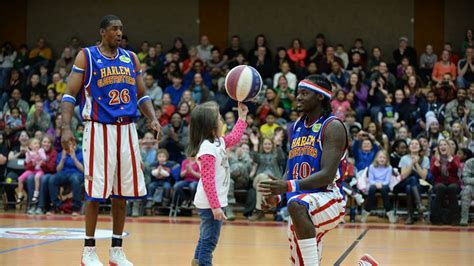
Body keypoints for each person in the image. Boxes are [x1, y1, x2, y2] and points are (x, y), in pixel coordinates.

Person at [60, 15, 160, 266]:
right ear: (103, 32)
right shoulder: (87, 56)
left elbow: (141, 94)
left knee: (122, 194)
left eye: (121, 29)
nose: (119, 33)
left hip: (127, 130)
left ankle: (116, 250)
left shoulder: (131, 58)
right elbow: (69, 94)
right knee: (94, 194)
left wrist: (153, 118)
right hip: (98, 129)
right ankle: (89, 251)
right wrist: (65, 128)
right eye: (114, 29)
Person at [259, 75, 375, 265]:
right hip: (301, 204)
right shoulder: (295, 127)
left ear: (320, 97)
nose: (298, 97)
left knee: (297, 205)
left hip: (329, 198)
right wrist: (277, 197)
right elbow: (293, 172)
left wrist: (286, 187)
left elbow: (327, 175)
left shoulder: (333, 126)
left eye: (304, 93)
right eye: (298, 93)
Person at [189, 101, 248, 266]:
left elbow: (234, 138)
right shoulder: (207, 148)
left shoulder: (217, 141)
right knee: (209, 241)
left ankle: (197, 262)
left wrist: (242, 117)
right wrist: (215, 207)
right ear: (210, 125)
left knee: (205, 237)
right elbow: (207, 181)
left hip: (213, 201)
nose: (222, 120)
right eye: (219, 118)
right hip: (210, 203)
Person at [395, 139, 429, 224]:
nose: (414, 145)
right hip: (405, 181)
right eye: (412, 144)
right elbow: (403, 176)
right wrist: (411, 163)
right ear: (409, 148)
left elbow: (424, 177)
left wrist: (416, 163)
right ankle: (419, 204)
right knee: (411, 181)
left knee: (409, 187)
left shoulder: (425, 159)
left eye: (416, 144)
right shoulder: (404, 158)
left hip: (419, 184)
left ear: (420, 147)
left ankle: (410, 216)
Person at [360, 151, 397, 224]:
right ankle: (366, 212)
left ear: (387, 159)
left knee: (384, 190)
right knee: (372, 189)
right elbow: (370, 179)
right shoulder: (371, 167)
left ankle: (389, 213)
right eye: (380, 157)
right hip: (374, 184)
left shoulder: (389, 167)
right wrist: (376, 184)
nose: (382, 159)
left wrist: (381, 184)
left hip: (385, 185)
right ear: (376, 158)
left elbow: (387, 180)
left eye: (384, 158)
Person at [430, 139, 461, 225]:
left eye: (445, 145)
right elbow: (433, 173)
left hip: (453, 182)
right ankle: (436, 218)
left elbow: (455, 170)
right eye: (440, 145)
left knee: (452, 188)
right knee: (441, 188)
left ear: (448, 147)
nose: (443, 147)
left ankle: (455, 219)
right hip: (439, 182)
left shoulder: (455, 157)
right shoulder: (434, 158)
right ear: (438, 148)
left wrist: (451, 161)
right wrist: (436, 166)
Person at [15, 138, 47, 205]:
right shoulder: (29, 152)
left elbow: (44, 158)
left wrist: (38, 153)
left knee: (36, 177)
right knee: (20, 179)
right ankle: (20, 195)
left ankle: (36, 194)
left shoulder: (41, 150)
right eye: (35, 143)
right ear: (30, 146)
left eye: (38, 143)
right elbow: (27, 161)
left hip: (39, 170)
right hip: (32, 170)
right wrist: (28, 154)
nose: (37, 145)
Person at [460, 157, 474, 226]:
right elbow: (465, 179)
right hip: (472, 186)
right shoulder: (469, 162)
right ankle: (464, 218)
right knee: (467, 190)